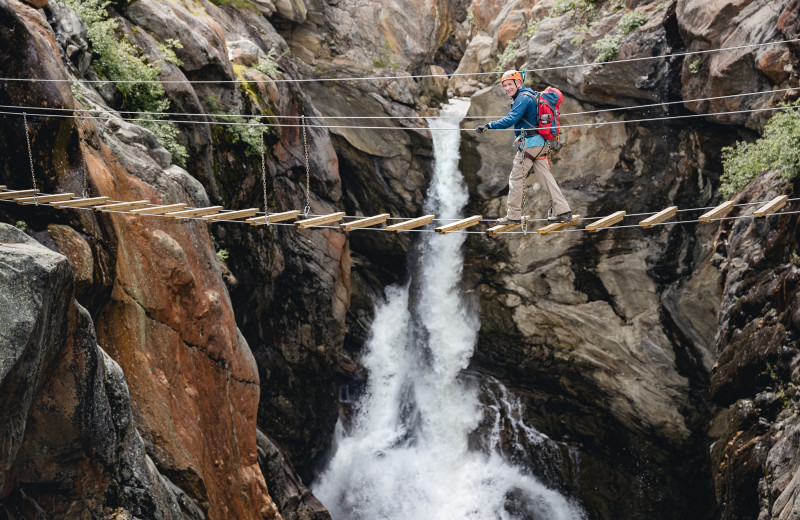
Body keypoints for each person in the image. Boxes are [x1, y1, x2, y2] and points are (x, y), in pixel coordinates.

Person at [475, 70, 572, 225]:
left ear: (518, 83)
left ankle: (513, 216)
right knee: (546, 178)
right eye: (504, 85)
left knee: (516, 178)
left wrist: (489, 125)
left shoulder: (523, 98)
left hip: (530, 145)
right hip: (541, 144)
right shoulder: (531, 95)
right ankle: (564, 211)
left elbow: (510, 119)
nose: (507, 88)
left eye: (510, 84)